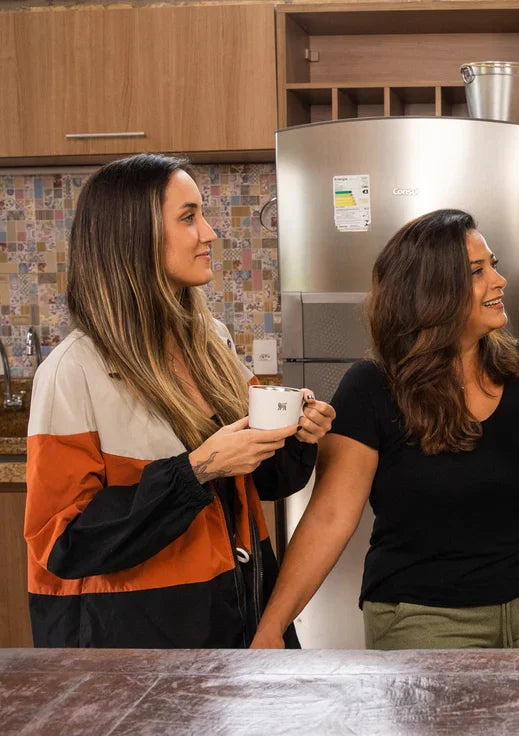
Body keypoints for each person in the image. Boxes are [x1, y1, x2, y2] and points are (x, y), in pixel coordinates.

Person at [24, 153, 335, 649]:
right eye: (189, 217)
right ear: (135, 237)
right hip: (139, 645)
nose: (210, 233)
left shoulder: (211, 340)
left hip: (236, 616)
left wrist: (298, 435)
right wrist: (196, 471)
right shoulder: (71, 372)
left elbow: (271, 482)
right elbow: (61, 543)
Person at [250, 209, 519, 650]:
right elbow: (330, 516)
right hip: (425, 618)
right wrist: (272, 625)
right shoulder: (372, 386)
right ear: (431, 291)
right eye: (477, 271)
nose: (498, 280)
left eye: (494, 264)